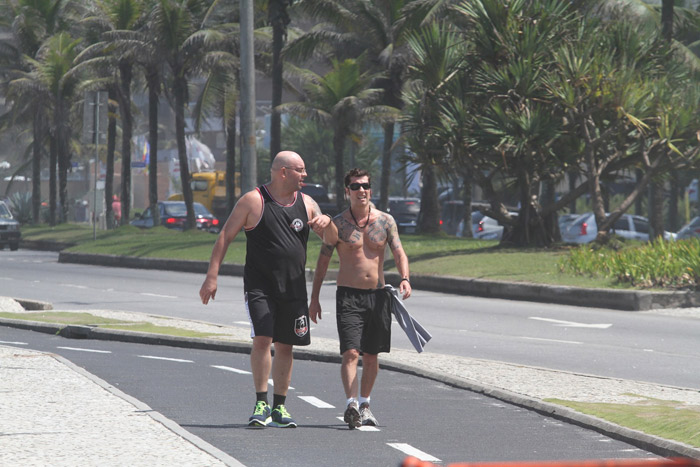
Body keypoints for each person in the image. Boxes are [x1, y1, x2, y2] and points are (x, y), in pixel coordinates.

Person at [199, 151, 333, 428]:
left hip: (294, 288)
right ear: (283, 171)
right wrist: (212, 276)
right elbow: (225, 236)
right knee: (263, 338)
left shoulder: (307, 204)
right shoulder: (253, 200)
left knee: (287, 346)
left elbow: (332, 240)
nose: (304, 175)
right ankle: (261, 401)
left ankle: (279, 407)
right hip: (260, 286)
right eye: (300, 170)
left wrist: (327, 223)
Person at [309, 168, 411, 429]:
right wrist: (315, 298)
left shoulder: (385, 221)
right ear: (347, 191)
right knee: (351, 352)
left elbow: (399, 252)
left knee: (372, 355)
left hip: (378, 297)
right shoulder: (339, 224)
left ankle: (365, 404)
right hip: (348, 296)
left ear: (370, 189)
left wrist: (405, 278)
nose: (361, 190)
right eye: (355, 187)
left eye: (365, 185)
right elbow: (323, 261)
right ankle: (351, 403)